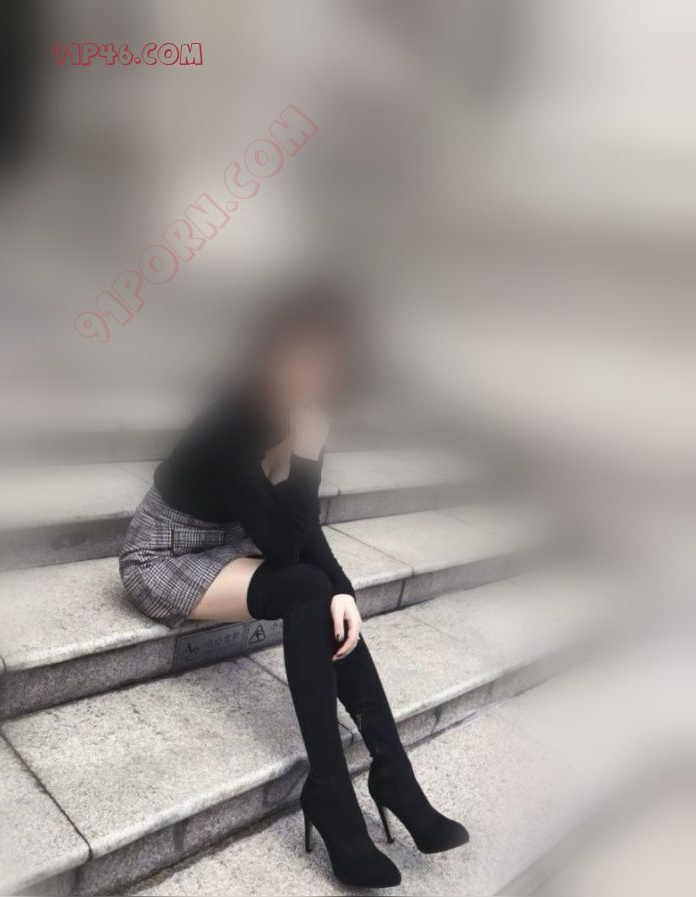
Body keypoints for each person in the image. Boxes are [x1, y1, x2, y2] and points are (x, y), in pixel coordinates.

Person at [119, 285, 468, 889]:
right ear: (268, 351)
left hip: (233, 539)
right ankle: (334, 791)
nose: (308, 374)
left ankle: (393, 774)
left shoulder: (304, 418)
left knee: (321, 593)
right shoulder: (233, 419)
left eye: (324, 363)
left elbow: (300, 527)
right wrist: (305, 454)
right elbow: (283, 547)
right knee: (305, 587)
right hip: (165, 554)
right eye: (296, 356)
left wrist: (345, 590)